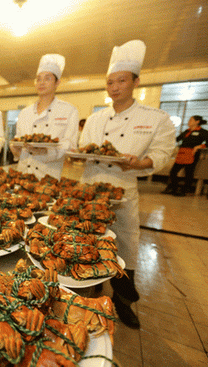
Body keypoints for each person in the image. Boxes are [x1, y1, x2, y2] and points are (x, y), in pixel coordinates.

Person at [79, 40, 175, 328]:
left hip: (123, 191)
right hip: (91, 189)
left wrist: (139, 163)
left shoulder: (155, 119)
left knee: (125, 245)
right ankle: (93, 284)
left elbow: (162, 155)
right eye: (110, 82)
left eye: (121, 81)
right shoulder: (96, 119)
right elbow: (85, 149)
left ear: (135, 81)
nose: (115, 87)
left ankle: (124, 301)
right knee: (89, 240)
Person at [10, 54, 79, 179]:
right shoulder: (25, 112)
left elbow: (70, 145)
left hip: (48, 175)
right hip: (23, 173)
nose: (41, 82)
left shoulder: (69, 110)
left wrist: (47, 152)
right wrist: (15, 148)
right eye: (38, 79)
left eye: (47, 78)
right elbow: (19, 140)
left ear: (57, 82)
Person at [162, 115, 208, 196]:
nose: (189, 121)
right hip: (182, 153)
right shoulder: (186, 131)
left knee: (188, 173)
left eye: (191, 120)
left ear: (197, 122)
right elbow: (177, 139)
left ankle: (183, 190)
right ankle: (174, 188)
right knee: (173, 172)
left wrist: (199, 146)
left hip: (192, 154)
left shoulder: (203, 132)